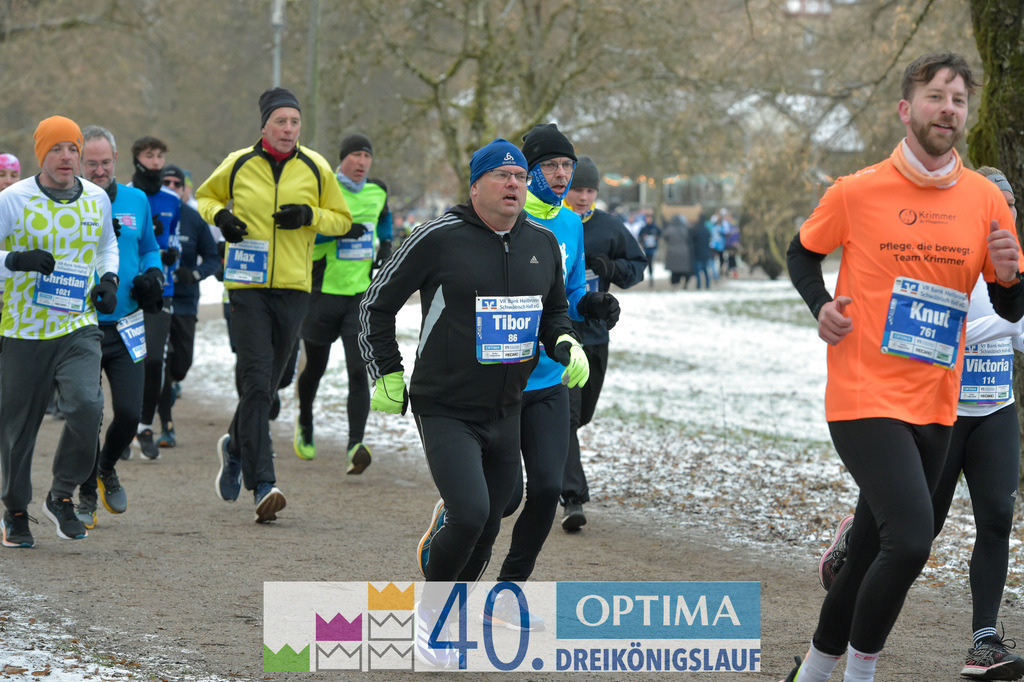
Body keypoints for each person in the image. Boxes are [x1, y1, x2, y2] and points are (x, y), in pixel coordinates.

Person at [783, 52, 1024, 682]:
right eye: (936, 96)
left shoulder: (984, 200)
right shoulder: (857, 190)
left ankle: (812, 670)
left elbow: (1009, 301)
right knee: (913, 538)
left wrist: (1010, 274)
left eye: (959, 100)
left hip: (938, 400)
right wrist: (820, 308)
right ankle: (860, 672)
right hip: (863, 394)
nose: (949, 109)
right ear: (906, 108)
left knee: (867, 545)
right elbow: (801, 254)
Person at [359, 138, 588, 667]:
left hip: (507, 407)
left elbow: (553, 312)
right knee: (471, 513)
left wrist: (565, 341)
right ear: (476, 185)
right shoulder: (438, 237)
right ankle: (431, 620)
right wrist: (387, 372)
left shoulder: (542, 244)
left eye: (519, 177)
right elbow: (376, 303)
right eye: (502, 175)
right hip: (444, 405)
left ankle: (454, 612)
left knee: (491, 518)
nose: (514, 184)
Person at [197, 86, 353, 523]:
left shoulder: (317, 167)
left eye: (295, 122)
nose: (288, 129)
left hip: (293, 287)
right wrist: (222, 218)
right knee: (257, 379)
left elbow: (341, 220)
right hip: (245, 287)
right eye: (280, 122)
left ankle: (234, 443)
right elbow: (206, 199)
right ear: (264, 125)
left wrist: (310, 217)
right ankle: (263, 482)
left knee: (277, 379)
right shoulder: (239, 163)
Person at [0, 116, 119, 547]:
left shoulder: (96, 198)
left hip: (77, 325)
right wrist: (15, 261)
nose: (66, 156)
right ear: (41, 155)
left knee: (88, 406)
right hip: (24, 330)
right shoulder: (13, 200)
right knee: (17, 430)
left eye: (72, 148)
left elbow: (107, 244)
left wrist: (109, 280)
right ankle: (15, 510)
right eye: (56, 149)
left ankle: (61, 494)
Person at [71, 126, 164, 528]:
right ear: (78, 163)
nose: (99, 170)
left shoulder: (135, 199)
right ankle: (86, 489)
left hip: (126, 325)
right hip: (81, 326)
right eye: (91, 164)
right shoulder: (66, 203)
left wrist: (153, 275)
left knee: (129, 412)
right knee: (88, 414)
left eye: (105, 162)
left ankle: (107, 467)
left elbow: (148, 246)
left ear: (115, 160)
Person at [293, 133, 392, 471]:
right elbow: (305, 230)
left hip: (358, 296)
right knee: (316, 369)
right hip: (321, 293)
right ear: (343, 158)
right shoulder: (324, 188)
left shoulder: (377, 191)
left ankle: (355, 445)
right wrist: (338, 231)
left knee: (357, 370)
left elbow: (384, 217)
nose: (362, 162)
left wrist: (387, 243)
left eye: (367, 156)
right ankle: (305, 421)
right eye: (356, 155)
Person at [560, 154, 647, 531]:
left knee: (581, 416)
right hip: (561, 336)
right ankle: (572, 497)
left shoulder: (609, 227)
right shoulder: (553, 223)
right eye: (577, 188)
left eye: (590, 189)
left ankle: (553, 458)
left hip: (597, 335)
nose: (582, 196)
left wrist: (612, 269)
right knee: (565, 417)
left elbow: (638, 268)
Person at [154, 165, 221, 448]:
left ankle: (173, 382)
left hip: (185, 301)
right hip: (156, 300)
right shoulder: (150, 215)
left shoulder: (194, 219)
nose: (171, 187)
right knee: (160, 367)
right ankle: (165, 427)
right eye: (165, 182)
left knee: (181, 364)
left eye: (176, 183)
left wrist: (193, 274)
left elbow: (214, 258)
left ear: (184, 189)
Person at [129, 135, 181, 460]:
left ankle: (144, 425)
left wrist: (171, 254)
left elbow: (174, 242)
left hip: (163, 288)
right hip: (126, 289)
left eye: (160, 155)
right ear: (137, 159)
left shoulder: (172, 200)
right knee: (126, 360)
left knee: (153, 360)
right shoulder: (122, 196)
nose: (156, 162)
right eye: (150, 155)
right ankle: (123, 424)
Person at [662, 214, 693, 290]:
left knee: (674, 271)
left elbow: (664, 236)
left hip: (672, 253)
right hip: (684, 252)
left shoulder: (670, 229)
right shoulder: (684, 229)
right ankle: (685, 283)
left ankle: (674, 285)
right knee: (684, 270)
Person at [637, 211, 661, 288]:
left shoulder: (655, 227)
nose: (648, 220)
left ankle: (651, 277)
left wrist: (656, 237)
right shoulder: (644, 228)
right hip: (646, 249)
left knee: (650, 262)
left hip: (653, 249)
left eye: (649, 218)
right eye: (646, 218)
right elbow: (639, 237)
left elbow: (660, 234)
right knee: (646, 262)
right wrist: (643, 240)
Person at [691, 211, 714, 290]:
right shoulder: (707, 230)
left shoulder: (696, 229)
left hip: (697, 252)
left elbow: (692, 240)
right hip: (705, 252)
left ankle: (699, 285)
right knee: (705, 270)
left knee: (698, 270)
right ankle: (707, 284)